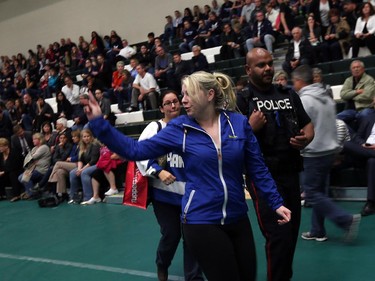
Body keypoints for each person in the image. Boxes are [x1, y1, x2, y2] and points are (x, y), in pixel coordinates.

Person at [84, 70, 291, 281]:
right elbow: (135, 151)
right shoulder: (179, 129)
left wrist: (276, 202)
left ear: (209, 95)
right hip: (201, 220)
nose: (183, 101)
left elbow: (257, 168)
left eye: (188, 94)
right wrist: (99, 124)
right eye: (182, 94)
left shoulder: (237, 123)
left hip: (237, 217)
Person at [241, 48, 314, 281]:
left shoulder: (289, 95)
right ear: (248, 69)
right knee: (279, 237)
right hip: (264, 178)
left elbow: (308, 125)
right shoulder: (241, 101)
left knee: (290, 234)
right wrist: (250, 128)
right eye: (261, 65)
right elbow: (230, 142)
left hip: (291, 172)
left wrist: (306, 138)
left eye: (270, 64)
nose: (267, 68)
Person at [136, 90, 203, 281]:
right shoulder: (155, 128)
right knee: (171, 236)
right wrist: (158, 170)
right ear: (161, 108)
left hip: (190, 197)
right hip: (164, 197)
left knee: (192, 238)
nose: (172, 106)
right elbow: (141, 153)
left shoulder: (192, 126)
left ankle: (194, 277)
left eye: (175, 102)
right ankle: (162, 263)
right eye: (167, 103)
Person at [292, 65, 361, 243]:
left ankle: (346, 220)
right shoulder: (326, 97)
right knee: (320, 191)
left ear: (299, 81)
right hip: (329, 151)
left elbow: (300, 127)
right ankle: (317, 230)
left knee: (312, 193)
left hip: (314, 152)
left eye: (294, 82)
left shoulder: (304, 100)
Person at [343, 107, 375, 216]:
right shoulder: (369, 117)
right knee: (346, 143)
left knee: (372, 161)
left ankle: (370, 203)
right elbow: (358, 137)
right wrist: (362, 144)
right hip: (365, 150)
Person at [337, 60, 375, 131]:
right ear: (351, 70)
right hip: (350, 110)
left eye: (358, 67)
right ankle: (352, 137)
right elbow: (343, 95)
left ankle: (360, 138)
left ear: (363, 69)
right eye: (354, 68)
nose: (356, 69)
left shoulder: (369, 80)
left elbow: (367, 95)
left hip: (364, 108)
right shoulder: (348, 80)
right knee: (337, 118)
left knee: (365, 115)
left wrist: (350, 96)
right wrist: (357, 92)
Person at [68, 129, 100, 205]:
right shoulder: (82, 146)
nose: (86, 138)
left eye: (88, 136)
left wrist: (82, 170)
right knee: (73, 172)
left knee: (84, 173)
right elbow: (80, 160)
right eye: (84, 137)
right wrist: (79, 169)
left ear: (91, 136)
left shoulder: (95, 145)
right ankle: (73, 197)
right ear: (82, 138)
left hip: (96, 165)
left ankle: (88, 197)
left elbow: (93, 161)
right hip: (86, 165)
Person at [48, 130, 80, 202]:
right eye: (72, 137)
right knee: (59, 171)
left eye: (74, 137)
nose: (73, 138)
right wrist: (70, 159)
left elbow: (78, 157)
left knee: (58, 163)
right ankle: (63, 194)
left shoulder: (80, 145)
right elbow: (54, 158)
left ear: (79, 137)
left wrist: (71, 159)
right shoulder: (75, 146)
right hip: (72, 163)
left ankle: (50, 181)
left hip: (79, 164)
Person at [18, 133, 51, 200]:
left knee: (23, 177)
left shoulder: (44, 147)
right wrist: (32, 160)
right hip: (33, 169)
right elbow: (27, 158)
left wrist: (32, 159)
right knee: (20, 177)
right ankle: (33, 192)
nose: (33, 141)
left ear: (40, 139)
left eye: (35, 139)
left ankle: (32, 194)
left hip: (42, 170)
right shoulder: (34, 148)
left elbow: (32, 157)